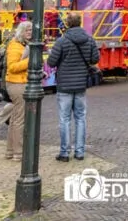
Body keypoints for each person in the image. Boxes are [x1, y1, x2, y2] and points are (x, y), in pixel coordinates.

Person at [47, 12, 100, 162]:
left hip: (64, 84)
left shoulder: (62, 41)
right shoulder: (89, 40)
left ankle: (64, 152)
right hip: (81, 84)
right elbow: (95, 58)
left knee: (64, 119)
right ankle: (80, 151)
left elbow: (51, 62)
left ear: (68, 24)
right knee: (80, 118)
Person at [1, 21, 31, 160]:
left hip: (20, 82)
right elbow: (12, 67)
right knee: (19, 118)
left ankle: (10, 151)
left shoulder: (25, 45)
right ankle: (18, 152)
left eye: (31, 30)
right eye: (27, 30)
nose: (30, 32)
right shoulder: (15, 45)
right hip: (17, 84)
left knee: (15, 119)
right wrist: (30, 61)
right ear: (21, 32)